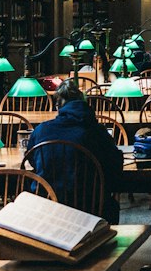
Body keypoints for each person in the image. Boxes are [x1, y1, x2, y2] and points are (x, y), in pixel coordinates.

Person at [24, 82, 123, 221]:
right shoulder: (97, 131)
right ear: (84, 103)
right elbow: (115, 164)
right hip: (89, 208)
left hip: (47, 206)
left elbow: (31, 159)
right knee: (110, 203)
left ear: (58, 106)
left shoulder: (42, 130)